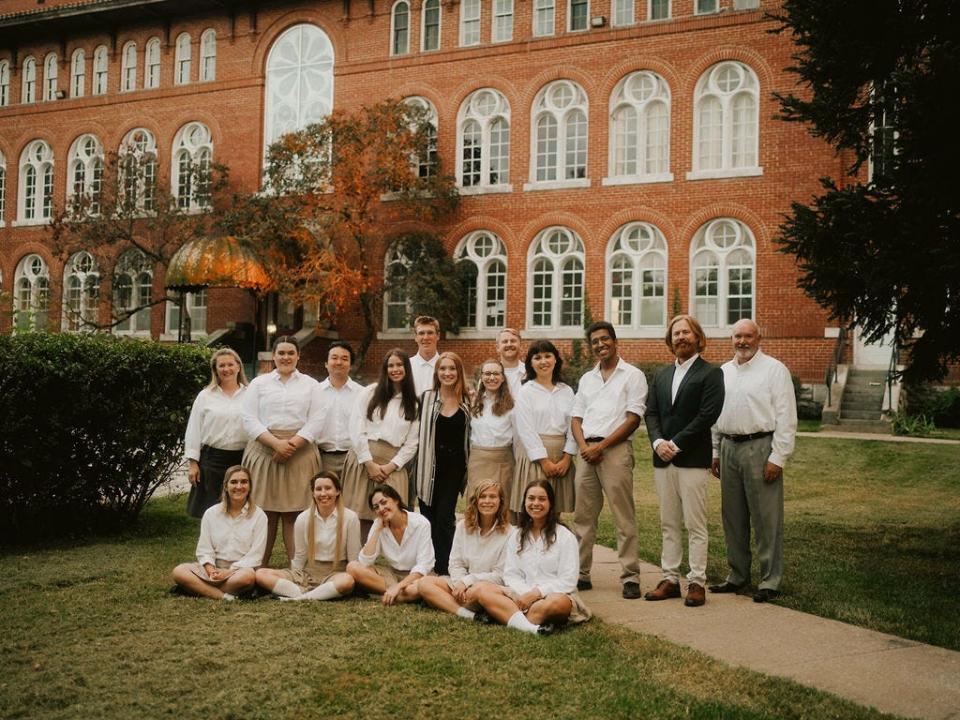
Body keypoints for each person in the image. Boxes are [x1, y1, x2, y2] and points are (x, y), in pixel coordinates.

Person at [710, 319, 797, 603]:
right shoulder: (723, 372)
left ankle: (769, 580)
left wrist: (778, 457)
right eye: (737, 336)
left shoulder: (774, 370)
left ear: (760, 337)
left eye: (748, 336)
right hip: (728, 447)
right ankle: (737, 576)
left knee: (765, 518)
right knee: (733, 518)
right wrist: (715, 451)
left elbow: (786, 417)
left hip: (760, 447)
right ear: (731, 338)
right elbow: (714, 416)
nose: (742, 341)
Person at [644, 315, 724, 607]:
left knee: (695, 524)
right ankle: (669, 579)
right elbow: (651, 413)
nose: (681, 337)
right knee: (669, 523)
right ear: (670, 340)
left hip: (691, 459)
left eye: (686, 332)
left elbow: (707, 416)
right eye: (676, 333)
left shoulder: (711, 374)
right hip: (662, 460)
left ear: (697, 337)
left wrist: (675, 444)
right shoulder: (661, 374)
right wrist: (657, 442)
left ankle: (696, 582)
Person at [571, 321, 647, 599]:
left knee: (623, 517)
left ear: (615, 342)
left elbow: (633, 418)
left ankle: (630, 577)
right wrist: (584, 447)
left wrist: (601, 446)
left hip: (614, 451)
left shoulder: (632, 375)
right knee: (583, 517)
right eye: (595, 342)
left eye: (605, 339)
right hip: (586, 453)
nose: (600, 345)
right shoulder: (587, 379)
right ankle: (580, 573)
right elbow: (576, 417)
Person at [242, 336, 324, 567]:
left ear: (299, 355)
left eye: (290, 353)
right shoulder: (259, 384)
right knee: (263, 513)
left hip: (300, 453)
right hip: (264, 451)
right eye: (281, 353)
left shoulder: (311, 385)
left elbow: (317, 420)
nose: (286, 357)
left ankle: (297, 570)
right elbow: (249, 418)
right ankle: (258, 567)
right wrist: (276, 444)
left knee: (294, 514)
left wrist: (291, 445)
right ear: (274, 355)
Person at [473, 479, 591, 635]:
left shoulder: (565, 537)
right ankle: (531, 625)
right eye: (531, 498)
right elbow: (511, 574)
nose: (536, 503)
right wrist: (524, 595)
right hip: (520, 594)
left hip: (554, 596)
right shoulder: (517, 536)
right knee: (482, 589)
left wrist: (536, 594)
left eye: (542, 499)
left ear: (551, 504)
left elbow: (567, 581)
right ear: (524, 502)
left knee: (555, 604)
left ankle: (504, 615)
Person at [340, 349, 420, 538]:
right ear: (385, 369)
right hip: (364, 460)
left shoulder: (413, 403)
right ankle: (355, 559)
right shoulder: (370, 392)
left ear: (407, 369)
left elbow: (412, 442)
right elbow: (356, 426)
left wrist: (391, 466)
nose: (395, 369)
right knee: (358, 515)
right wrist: (368, 462)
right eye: (390, 365)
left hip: (392, 466)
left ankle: (388, 561)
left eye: (399, 365)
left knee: (390, 516)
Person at [254, 471, 361, 601]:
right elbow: (300, 555)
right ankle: (314, 594)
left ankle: (299, 598)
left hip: (336, 573)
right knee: (261, 574)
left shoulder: (350, 518)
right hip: (307, 573)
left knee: (347, 581)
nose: (323, 494)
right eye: (318, 489)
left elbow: (353, 557)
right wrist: (295, 577)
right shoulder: (303, 518)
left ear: (337, 491)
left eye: (328, 488)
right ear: (313, 493)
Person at [418, 480, 511, 621]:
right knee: (425, 583)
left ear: (500, 502)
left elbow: (500, 575)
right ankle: (469, 614)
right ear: (475, 501)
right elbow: (455, 563)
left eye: (492, 497)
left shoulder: (510, 533)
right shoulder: (463, 526)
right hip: (461, 584)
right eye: (482, 496)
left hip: (488, 587)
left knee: (480, 591)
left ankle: (443, 602)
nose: (487, 501)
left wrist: (467, 582)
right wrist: (459, 585)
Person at [171, 465, 267, 600]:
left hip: (239, 571)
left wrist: (228, 572)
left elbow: (255, 556)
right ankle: (224, 596)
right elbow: (204, 549)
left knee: (247, 578)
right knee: (179, 572)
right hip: (212, 569)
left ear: (250, 486)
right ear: (226, 486)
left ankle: (197, 588)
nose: (239, 486)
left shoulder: (259, 516)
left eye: (244, 482)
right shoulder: (211, 514)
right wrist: (212, 571)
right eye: (233, 482)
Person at [415, 351, 471, 575]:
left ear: (459, 372)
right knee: (428, 517)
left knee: (445, 517)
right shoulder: (426, 399)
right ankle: (428, 563)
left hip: (454, 468)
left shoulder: (468, 400)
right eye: (443, 369)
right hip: (429, 465)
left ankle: (446, 567)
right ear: (437, 373)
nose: (447, 373)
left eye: (452, 369)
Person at [512, 340, 577, 515]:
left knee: (554, 510)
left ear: (556, 359)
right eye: (537, 357)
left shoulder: (567, 391)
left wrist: (567, 457)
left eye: (548, 356)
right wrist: (544, 461)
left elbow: (574, 426)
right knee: (534, 508)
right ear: (530, 363)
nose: (543, 361)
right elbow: (526, 429)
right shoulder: (526, 391)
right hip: (536, 456)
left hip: (561, 454)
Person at [184, 347, 249, 519]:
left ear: (238, 367)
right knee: (211, 512)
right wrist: (193, 463)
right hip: (212, 461)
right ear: (215, 369)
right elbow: (194, 429)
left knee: (240, 510)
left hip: (242, 460)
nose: (226, 369)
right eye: (221, 365)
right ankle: (212, 545)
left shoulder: (251, 395)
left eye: (230, 364)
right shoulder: (205, 396)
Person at [347, 484, 435, 605]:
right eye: (376, 507)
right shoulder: (379, 524)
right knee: (352, 567)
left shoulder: (421, 523)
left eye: (384, 502)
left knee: (420, 587)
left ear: (396, 500)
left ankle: (395, 594)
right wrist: (377, 529)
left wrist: (398, 586)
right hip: (391, 575)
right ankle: (403, 596)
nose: (381, 509)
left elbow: (424, 565)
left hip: (416, 577)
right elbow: (364, 562)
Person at [466, 359, 517, 506]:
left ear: (502, 378)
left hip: (503, 461)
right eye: (487, 373)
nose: (492, 377)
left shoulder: (512, 405)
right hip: (478, 460)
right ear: (481, 377)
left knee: (501, 503)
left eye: (496, 373)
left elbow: (518, 439)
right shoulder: (473, 402)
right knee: (477, 502)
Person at [316, 341, 364, 477]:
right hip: (321, 458)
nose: (339, 362)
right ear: (326, 363)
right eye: (334, 358)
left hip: (353, 458)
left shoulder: (362, 394)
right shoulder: (314, 392)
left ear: (350, 365)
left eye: (344, 359)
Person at [410, 315, 441, 396]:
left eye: (430, 333)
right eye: (421, 333)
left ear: (438, 336)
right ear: (415, 337)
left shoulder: (447, 365)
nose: (426, 337)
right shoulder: (407, 365)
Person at [496, 328, 525, 395]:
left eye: (513, 341)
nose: (509, 344)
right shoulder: (488, 375)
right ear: (497, 348)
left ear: (520, 346)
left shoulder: (530, 372)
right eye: (505, 341)